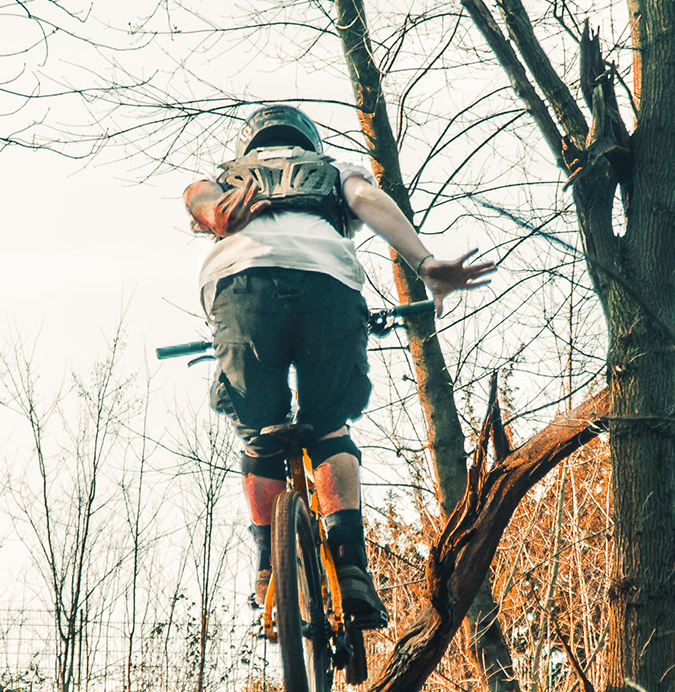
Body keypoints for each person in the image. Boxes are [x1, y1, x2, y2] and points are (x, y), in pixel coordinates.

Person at [184, 104, 495, 630]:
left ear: (248, 146)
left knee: (258, 433)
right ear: (307, 141)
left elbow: (197, 196)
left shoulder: (227, 179)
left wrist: (214, 212)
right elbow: (368, 199)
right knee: (329, 425)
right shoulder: (332, 171)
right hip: (328, 286)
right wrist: (424, 263)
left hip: (243, 287)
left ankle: (268, 567)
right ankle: (350, 566)